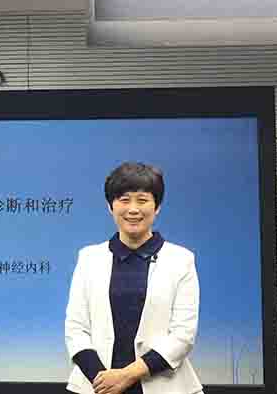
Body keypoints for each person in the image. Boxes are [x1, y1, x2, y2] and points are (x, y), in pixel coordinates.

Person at [65, 162, 203, 394]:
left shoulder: (181, 260)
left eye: (142, 200)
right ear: (110, 206)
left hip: (163, 385)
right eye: (124, 200)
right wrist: (104, 382)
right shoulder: (89, 258)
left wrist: (126, 376)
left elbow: (183, 335)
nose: (133, 209)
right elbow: (76, 329)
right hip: (96, 385)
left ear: (157, 206)